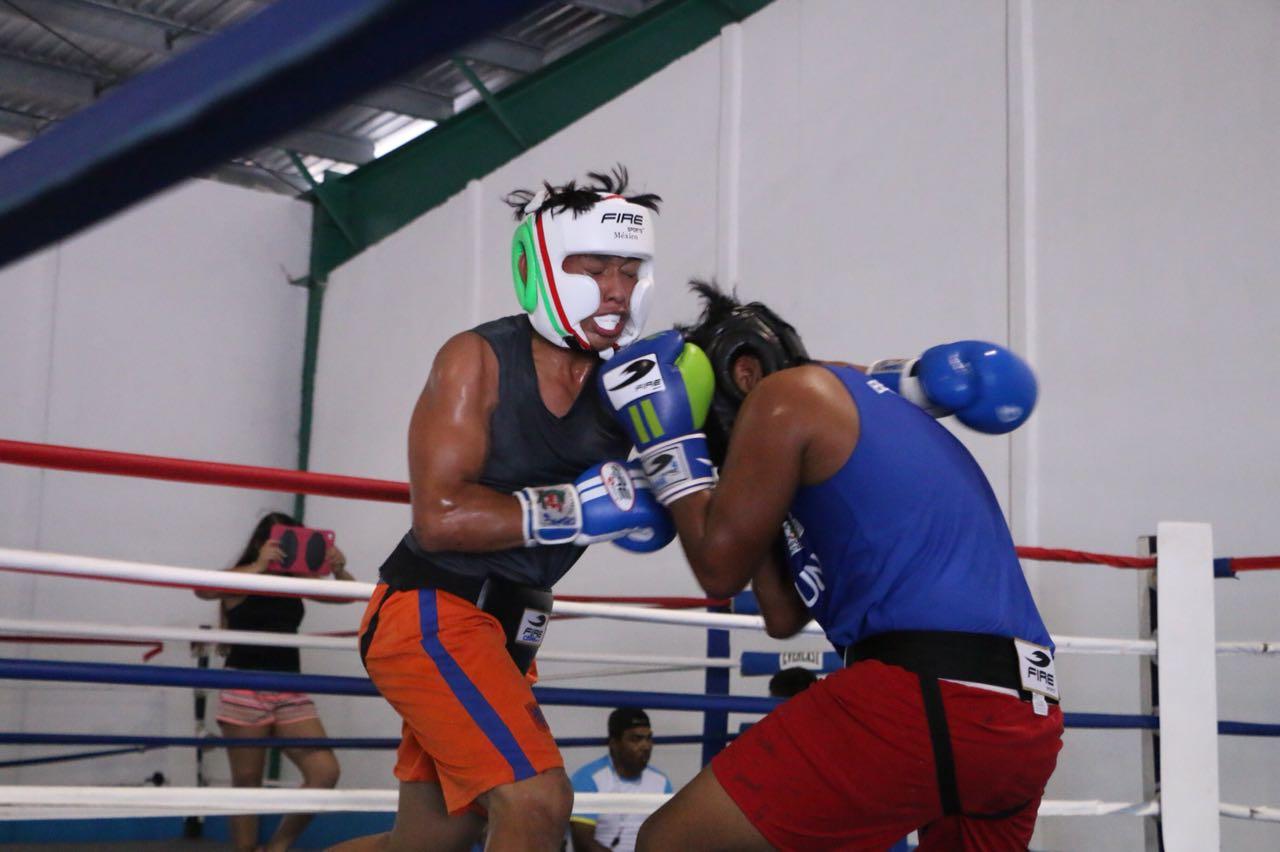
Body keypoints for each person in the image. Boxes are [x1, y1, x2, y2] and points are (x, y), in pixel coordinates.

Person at [595, 282, 1062, 851]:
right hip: (1022, 722)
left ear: (744, 372)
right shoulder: (856, 399)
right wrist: (739, 489)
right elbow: (782, 616)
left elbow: (718, 573)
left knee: (671, 842)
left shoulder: (785, 395)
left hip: (922, 699)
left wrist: (666, 440)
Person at [333, 168, 672, 852]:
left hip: (512, 628)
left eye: (629, 269)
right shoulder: (478, 359)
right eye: (595, 265)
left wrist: (888, 383)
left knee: (427, 844)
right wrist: (574, 508)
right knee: (539, 802)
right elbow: (440, 515)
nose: (615, 286)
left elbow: (749, 392)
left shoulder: (630, 380)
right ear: (544, 265)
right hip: (432, 611)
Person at [195, 510, 357, 852]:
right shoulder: (243, 581)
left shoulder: (293, 584)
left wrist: (338, 569)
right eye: (285, 542)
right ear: (264, 543)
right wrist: (257, 565)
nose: (290, 549)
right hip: (244, 686)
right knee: (247, 783)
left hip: (289, 689)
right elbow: (202, 589)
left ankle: (278, 847)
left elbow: (348, 595)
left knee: (324, 772)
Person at [569, 708, 672, 852]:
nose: (646, 746)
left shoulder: (661, 782)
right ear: (614, 743)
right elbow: (582, 843)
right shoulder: (588, 778)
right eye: (636, 739)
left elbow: (668, 836)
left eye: (649, 738)